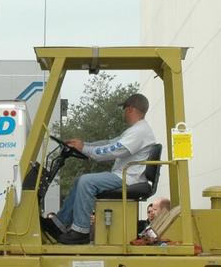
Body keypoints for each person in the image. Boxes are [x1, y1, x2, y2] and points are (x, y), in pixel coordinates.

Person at [44, 93, 156, 244]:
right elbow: (109, 142)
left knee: (86, 182)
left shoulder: (140, 131)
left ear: (129, 109)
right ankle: (59, 223)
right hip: (125, 175)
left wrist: (85, 149)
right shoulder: (136, 130)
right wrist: (84, 145)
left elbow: (114, 150)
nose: (123, 114)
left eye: (124, 110)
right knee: (79, 181)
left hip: (129, 178)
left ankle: (81, 231)